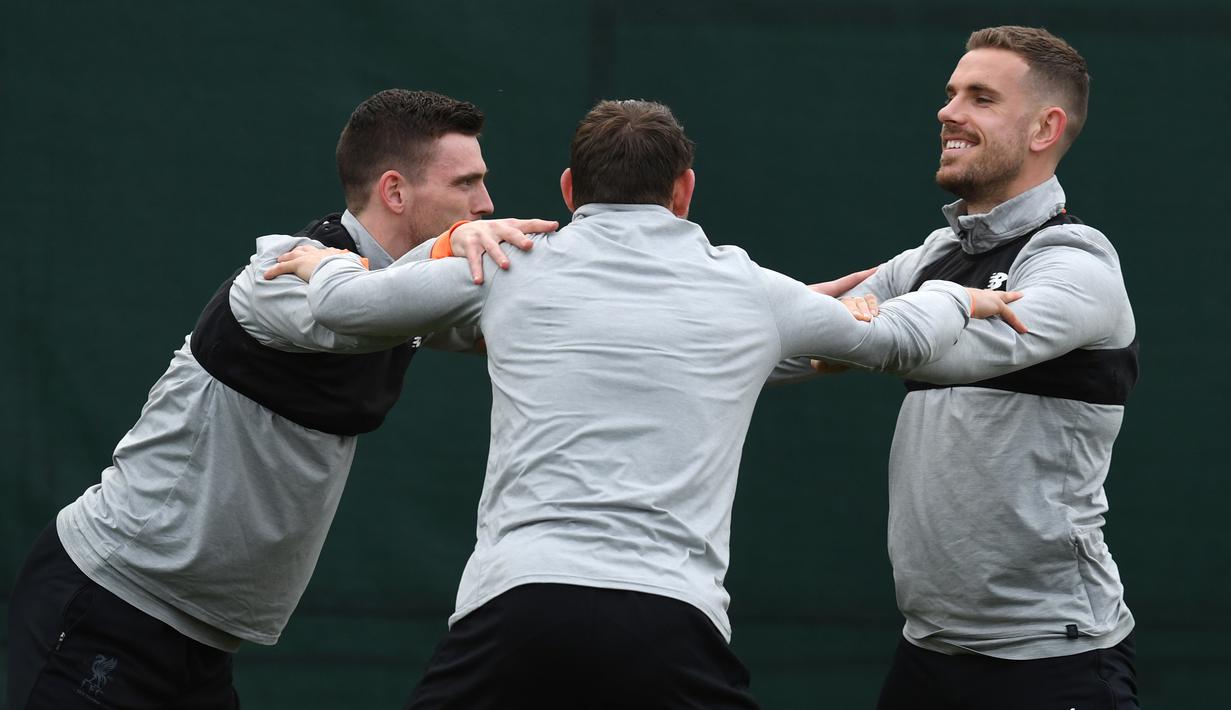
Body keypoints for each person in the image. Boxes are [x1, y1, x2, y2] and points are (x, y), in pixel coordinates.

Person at [267, 98, 1026, 709]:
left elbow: (349, 308)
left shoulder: (503, 261)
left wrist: (321, 263)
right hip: (668, 617)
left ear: (568, 189)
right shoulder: (750, 290)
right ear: (684, 190)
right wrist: (955, 298)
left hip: (516, 604)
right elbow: (894, 340)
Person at [5, 88, 556, 709]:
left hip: (202, 641)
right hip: (109, 602)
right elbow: (351, 304)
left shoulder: (401, 296)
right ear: (396, 192)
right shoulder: (286, 274)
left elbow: (505, 322)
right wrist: (446, 249)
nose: (485, 204)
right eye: (466, 185)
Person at [806, 26, 1138, 709]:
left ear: (1045, 127)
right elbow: (778, 343)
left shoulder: (1075, 267)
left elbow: (918, 346)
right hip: (925, 654)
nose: (947, 111)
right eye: (951, 93)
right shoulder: (934, 256)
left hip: (1054, 660)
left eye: (979, 98)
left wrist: (871, 320)